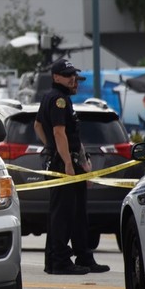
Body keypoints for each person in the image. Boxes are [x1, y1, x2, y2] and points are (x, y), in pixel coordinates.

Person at [34, 59, 109, 275]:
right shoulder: (59, 100)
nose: (73, 80)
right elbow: (59, 132)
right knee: (64, 215)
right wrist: (66, 161)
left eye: (74, 76)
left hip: (70, 160)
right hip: (65, 164)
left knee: (75, 214)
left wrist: (79, 159)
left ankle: (80, 257)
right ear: (56, 77)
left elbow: (38, 125)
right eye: (68, 76)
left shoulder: (54, 98)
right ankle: (60, 262)